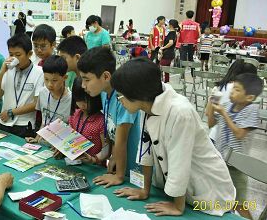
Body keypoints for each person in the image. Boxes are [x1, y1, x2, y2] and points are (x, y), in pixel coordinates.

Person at [112, 57, 236, 217]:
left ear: (138, 94)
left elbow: (180, 162)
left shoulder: (180, 112)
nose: (119, 101)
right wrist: (144, 189)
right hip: (182, 191)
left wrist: (178, 207)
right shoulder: (146, 105)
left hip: (209, 189)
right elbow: (146, 150)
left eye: (120, 95)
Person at [77, 47, 140, 187]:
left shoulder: (124, 97)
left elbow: (122, 140)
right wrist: (111, 156)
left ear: (106, 76)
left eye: (87, 79)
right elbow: (111, 130)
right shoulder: (105, 92)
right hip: (118, 165)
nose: (83, 85)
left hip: (134, 170)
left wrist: (119, 176)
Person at [207, 73, 262, 219]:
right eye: (232, 88)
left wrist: (224, 113)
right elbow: (210, 123)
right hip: (220, 160)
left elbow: (239, 134)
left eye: (237, 90)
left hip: (237, 166)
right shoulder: (227, 105)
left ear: (249, 97)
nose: (231, 92)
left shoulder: (251, 110)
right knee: (221, 198)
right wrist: (211, 104)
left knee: (239, 203)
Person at [0, 33, 44, 138]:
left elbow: (36, 103)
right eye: (11, 54)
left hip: (25, 125)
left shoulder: (39, 72)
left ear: (29, 54)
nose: (14, 58)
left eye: (18, 55)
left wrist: (11, 112)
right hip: (4, 123)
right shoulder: (7, 70)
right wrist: (2, 72)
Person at [25, 55, 72, 143]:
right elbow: (45, 120)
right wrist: (36, 138)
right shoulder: (43, 93)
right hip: (43, 142)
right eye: (46, 79)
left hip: (60, 145)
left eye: (54, 80)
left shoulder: (71, 100)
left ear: (64, 78)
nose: (49, 84)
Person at [208, 60, 257, 142]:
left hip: (214, 135)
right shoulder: (243, 93)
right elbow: (240, 134)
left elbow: (208, 114)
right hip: (229, 140)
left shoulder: (218, 88)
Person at [70, 77, 109, 165]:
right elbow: (68, 139)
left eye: (85, 101)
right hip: (75, 163)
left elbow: (106, 149)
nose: (81, 105)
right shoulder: (75, 115)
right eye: (78, 101)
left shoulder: (101, 121)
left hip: (95, 167)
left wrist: (93, 159)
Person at [179, 10, 201, 76]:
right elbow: (199, 35)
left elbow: (178, 33)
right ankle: (193, 73)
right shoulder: (196, 24)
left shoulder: (182, 23)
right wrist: (194, 39)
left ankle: (182, 74)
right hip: (192, 44)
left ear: (186, 15)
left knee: (183, 58)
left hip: (184, 43)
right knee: (191, 58)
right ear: (193, 16)